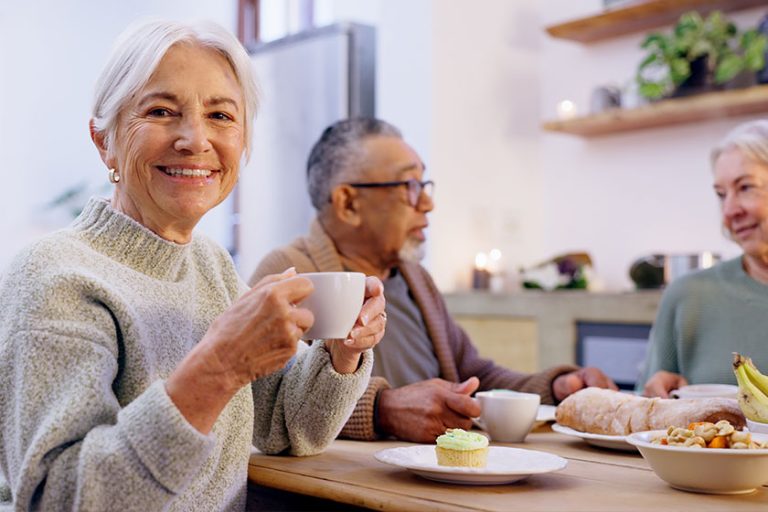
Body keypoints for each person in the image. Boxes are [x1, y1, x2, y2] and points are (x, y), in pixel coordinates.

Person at [0, 20, 387, 511]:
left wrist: (340, 354)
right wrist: (218, 368)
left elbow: (284, 428)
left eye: (221, 115)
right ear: (105, 140)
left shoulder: (210, 263)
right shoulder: (54, 276)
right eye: (161, 111)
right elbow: (57, 498)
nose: (195, 140)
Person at [249, 118, 617, 443]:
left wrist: (553, 388)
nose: (427, 203)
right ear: (348, 203)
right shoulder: (290, 271)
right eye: (409, 185)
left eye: (424, 184)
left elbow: (474, 375)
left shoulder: (414, 278)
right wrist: (383, 408)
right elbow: (268, 403)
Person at [638, 119, 768, 398]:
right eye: (721, 195)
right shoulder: (688, 295)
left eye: (745, 187)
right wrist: (654, 396)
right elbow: (645, 412)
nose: (729, 210)